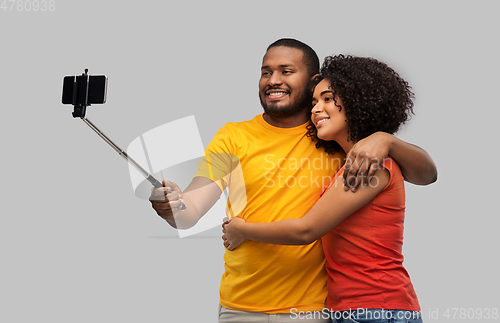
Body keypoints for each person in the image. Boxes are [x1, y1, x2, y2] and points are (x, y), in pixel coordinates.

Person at [150, 39, 436, 322]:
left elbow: (425, 175)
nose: (273, 80)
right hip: (241, 307)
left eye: (286, 71)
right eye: (265, 72)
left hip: (313, 309)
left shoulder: (339, 143)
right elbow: (191, 210)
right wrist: (174, 205)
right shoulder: (232, 138)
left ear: (312, 81)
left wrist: (386, 140)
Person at [222, 54, 426, 323]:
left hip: (376, 307)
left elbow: (307, 230)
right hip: (355, 308)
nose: (316, 109)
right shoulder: (351, 162)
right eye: (314, 102)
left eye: (328, 99)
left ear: (357, 99)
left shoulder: (368, 167)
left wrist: (241, 229)